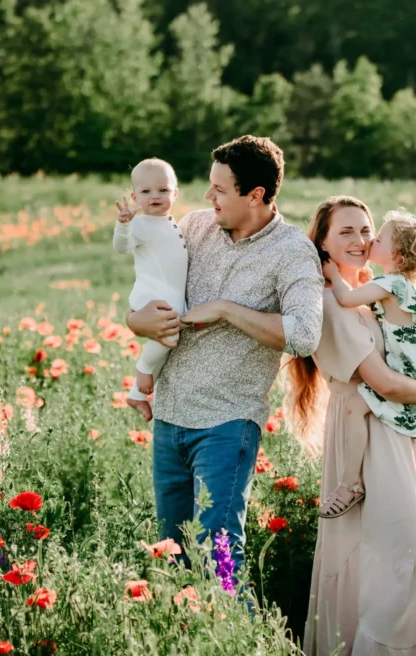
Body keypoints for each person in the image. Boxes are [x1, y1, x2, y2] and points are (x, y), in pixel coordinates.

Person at [125, 136, 323, 572]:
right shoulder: (194, 227)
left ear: (255, 196)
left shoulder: (292, 252)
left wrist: (227, 310)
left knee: (220, 556)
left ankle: (241, 635)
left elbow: (305, 335)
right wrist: (136, 321)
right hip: (170, 418)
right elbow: (148, 288)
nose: (206, 196)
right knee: (170, 557)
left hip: (227, 425)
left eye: (219, 189)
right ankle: (186, 636)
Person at [285, 196, 416, 656]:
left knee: (398, 553)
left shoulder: (373, 293)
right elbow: (383, 381)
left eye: (366, 231)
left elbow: (411, 345)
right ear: (322, 243)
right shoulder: (330, 300)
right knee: (394, 551)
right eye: (347, 233)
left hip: (396, 431)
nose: (360, 241)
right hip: (370, 431)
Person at [318, 209, 416, 518]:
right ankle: (350, 483)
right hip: (412, 373)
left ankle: (349, 483)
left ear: (397, 256)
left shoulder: (389, 285)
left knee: (354, 409)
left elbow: (347, 299)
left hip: (400, 380)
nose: (370, 240)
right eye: (347, 231)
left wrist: (333, 274)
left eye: (377, 236)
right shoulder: (414, 288)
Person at [112, 158, 187, 422]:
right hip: (150, 293)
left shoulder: (172, 223)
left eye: (163, 190)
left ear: (175, 194)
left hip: (168, 293)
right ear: (135, 197)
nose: (155, 196)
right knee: (168, 336)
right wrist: (123, 225)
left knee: (169, 340)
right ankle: (142, 368)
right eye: (146, 192)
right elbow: (122, 247)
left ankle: (137, 395)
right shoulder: (140, 225)